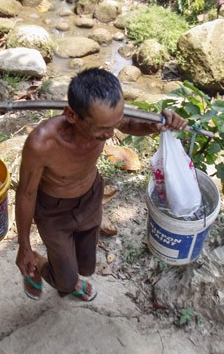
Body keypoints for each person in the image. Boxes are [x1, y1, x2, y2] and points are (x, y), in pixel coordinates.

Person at [15, 68, 188, 302]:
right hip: (54, 213)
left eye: (113, 125)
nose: (110, 135)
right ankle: (39, 262)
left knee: (86, 267)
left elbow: (129, 124)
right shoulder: (42, 144)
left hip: (90, 198)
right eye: (102, 130)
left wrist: (156, 124)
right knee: (65, 282)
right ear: (71, 115)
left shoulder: (106, 120)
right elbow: (26, 193)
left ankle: (72, 274)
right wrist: (24, 246)